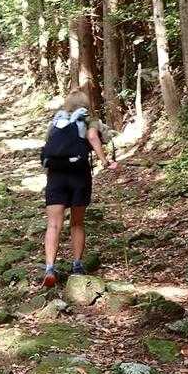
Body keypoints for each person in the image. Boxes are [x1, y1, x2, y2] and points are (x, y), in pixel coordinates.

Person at [40, 91, 118, 287]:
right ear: (85, 104)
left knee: (53, 225)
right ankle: (76, 265)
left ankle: (50, 268)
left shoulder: (56, 121)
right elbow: (93, 137)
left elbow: (48, 146)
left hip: (56, 175)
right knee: (77, 223)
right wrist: (105, 161)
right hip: (79, 176)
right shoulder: (89, 120)